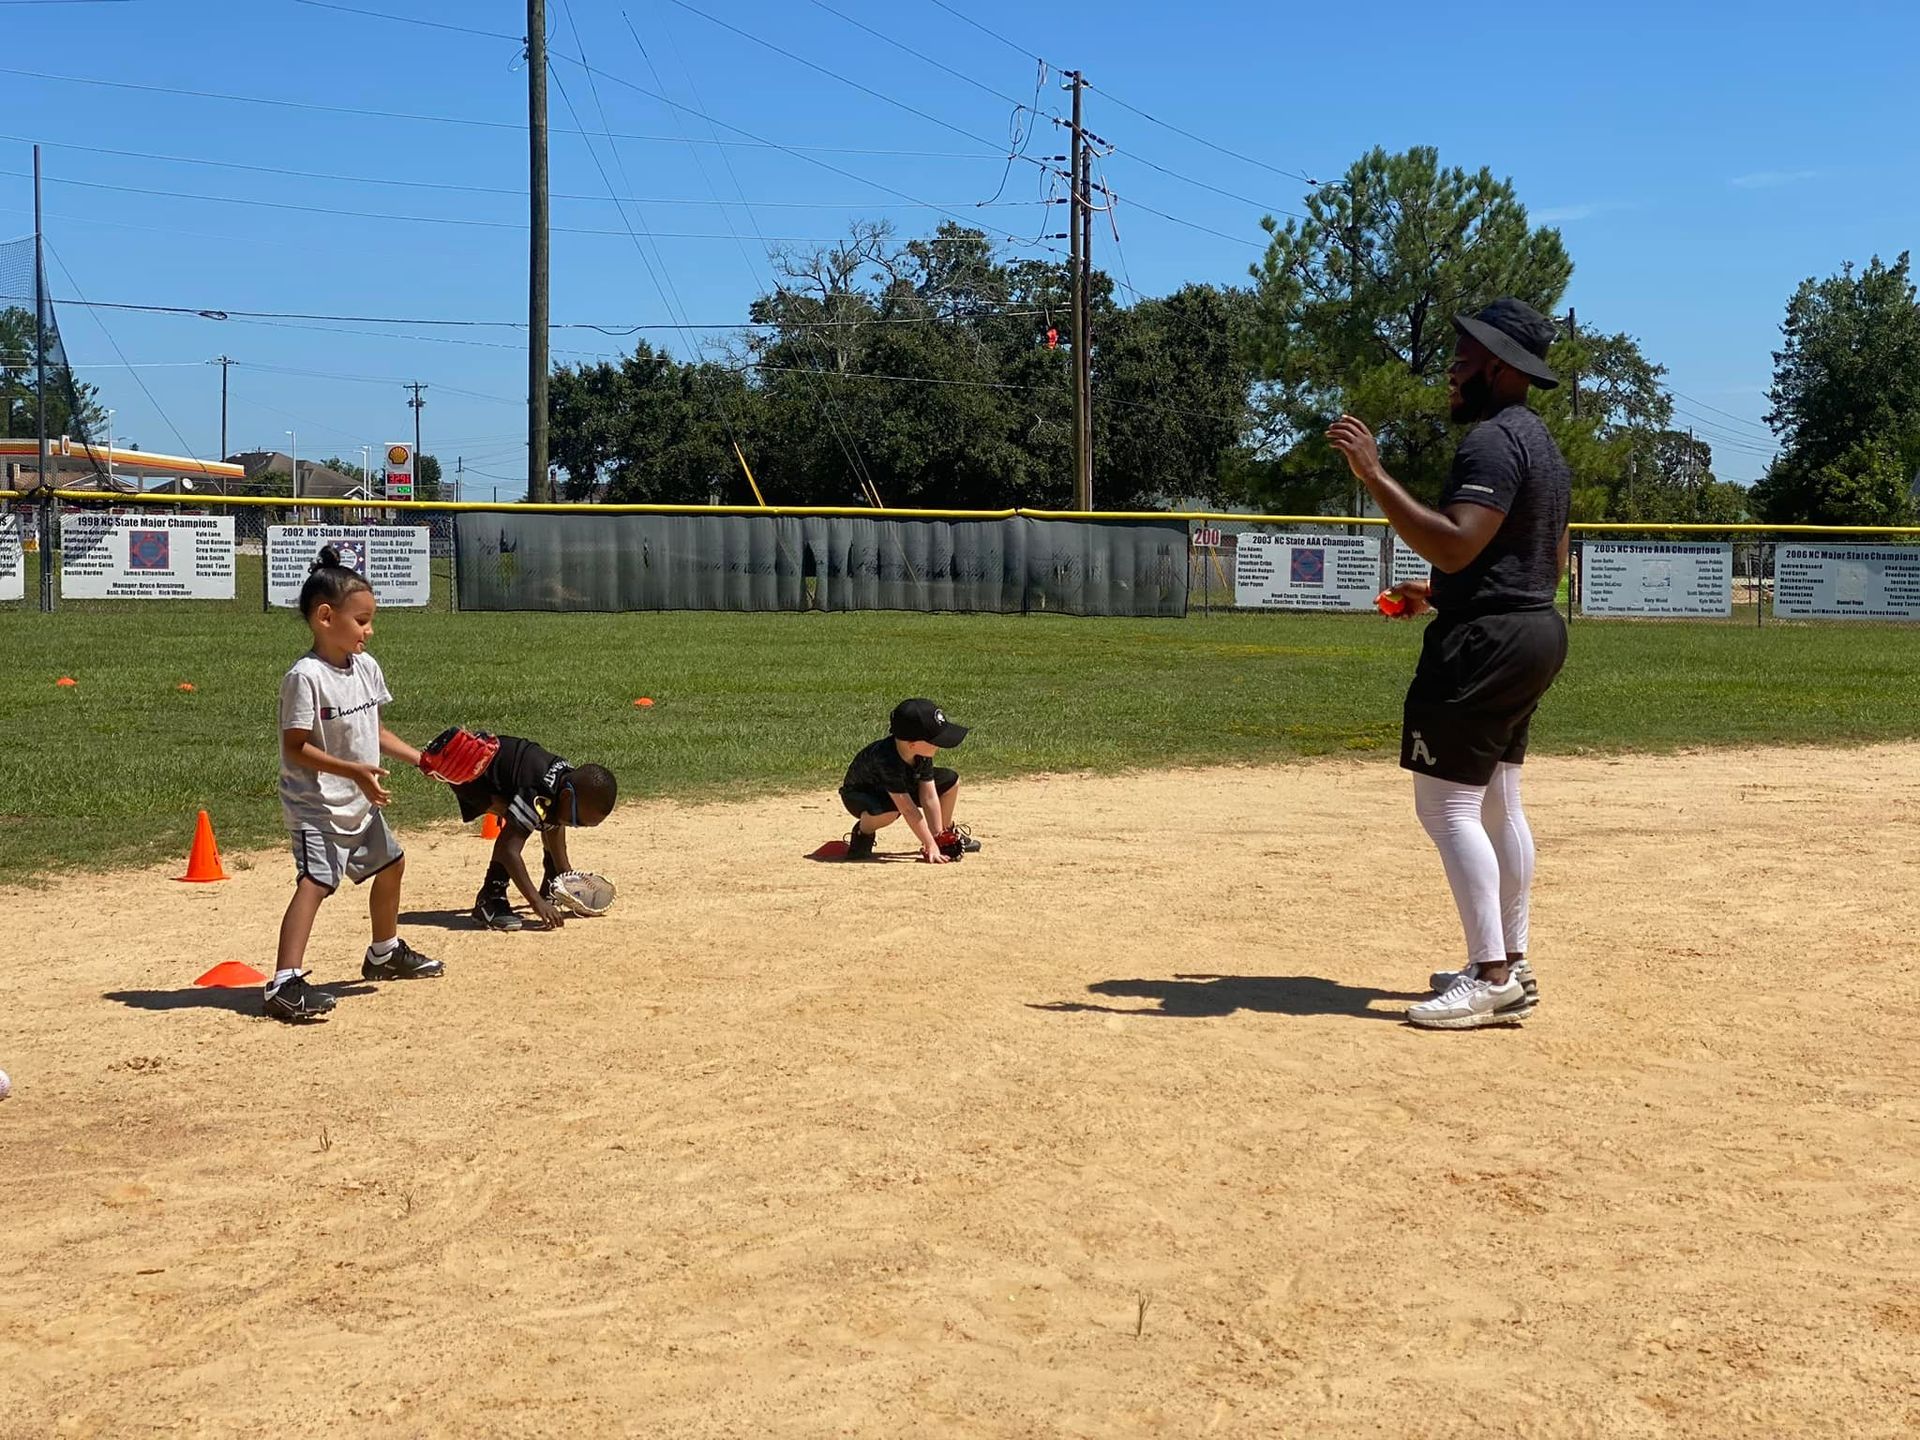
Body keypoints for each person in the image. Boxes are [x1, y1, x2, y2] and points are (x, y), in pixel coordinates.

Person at [1327, 298, 1571, 1031]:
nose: (1451, 373)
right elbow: (1541, 560)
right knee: (1498, 800)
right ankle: (1511, 962)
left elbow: (1460, 542)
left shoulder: (1493, 442)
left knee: (1446, 805)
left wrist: (1374, 475)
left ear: (1498, 367)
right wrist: (1443, 595)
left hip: (1487, 646)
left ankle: (1492, 978)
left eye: (1462, 359)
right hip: (1530, 630)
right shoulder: (1541, 443)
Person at [270, 547, 442, 1023]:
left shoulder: (365, 667)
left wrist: (421, 759)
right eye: (362, 620)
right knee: (316, 882)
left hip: (358, 800)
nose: (370, 630)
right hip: (317, 804)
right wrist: (355, 773)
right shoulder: (305, 678)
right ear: (326, 617)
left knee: (391, 864)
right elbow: (295, 748)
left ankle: (384, 952)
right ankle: (284, 982)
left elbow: (374, 730)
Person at [455, 736, 618, 930]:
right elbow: (508, 849)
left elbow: (555, 818)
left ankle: (552, 878)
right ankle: (491, 897)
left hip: (499, 763)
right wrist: (536, 903)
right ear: (567, 796)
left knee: (550, 816)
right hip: (470, 769)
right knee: (519, 822)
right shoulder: (538, 791)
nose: (575, 826)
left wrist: (564, 873)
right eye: (576, 821)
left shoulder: (565, 783)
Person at [839, 699, 981, 863]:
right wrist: (929, 845)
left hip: (902, 784)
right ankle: (863, 833)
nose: (939, 746)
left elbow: (928, 796)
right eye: (935, 742)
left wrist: (937, 838)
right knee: (890, 811)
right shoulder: (887, 759)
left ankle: (946, 832)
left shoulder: (922, 753)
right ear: (913, 744)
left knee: (950, 782)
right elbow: (907, 809)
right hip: (862, 795)